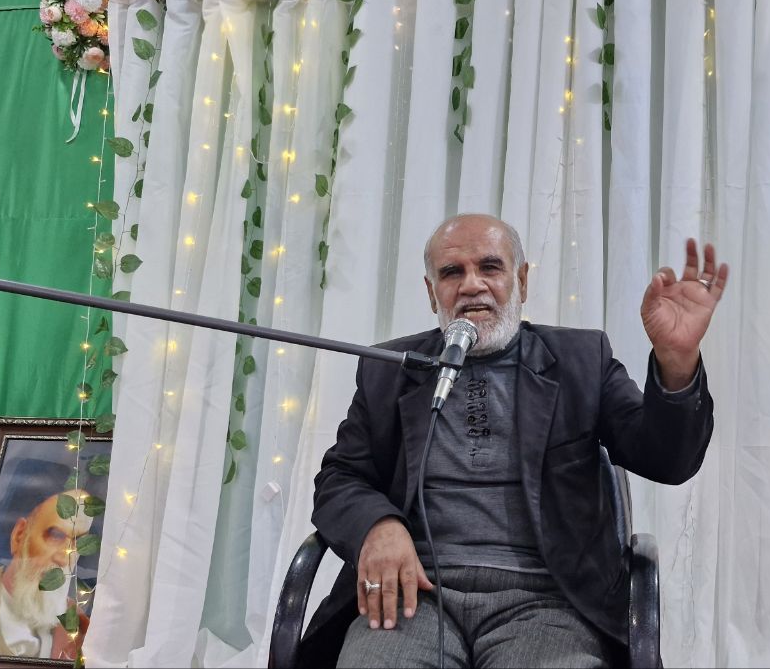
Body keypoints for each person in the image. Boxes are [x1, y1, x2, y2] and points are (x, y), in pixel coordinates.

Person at [301, 214, 728, 668]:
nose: (472, 285)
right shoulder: (389, 368)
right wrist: (377, 525)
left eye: (490, 267)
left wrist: (676, 362)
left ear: (521, 280)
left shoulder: (581, 360)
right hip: (413, 595)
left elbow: (667, 460)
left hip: (548, 602)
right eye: (452, 272)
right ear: (431, 292)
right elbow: (339, 478)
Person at [0, 489, 93, 659]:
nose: (65, 559)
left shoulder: (80, 626)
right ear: (19, 535)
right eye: (56, 535)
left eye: (79, 543)